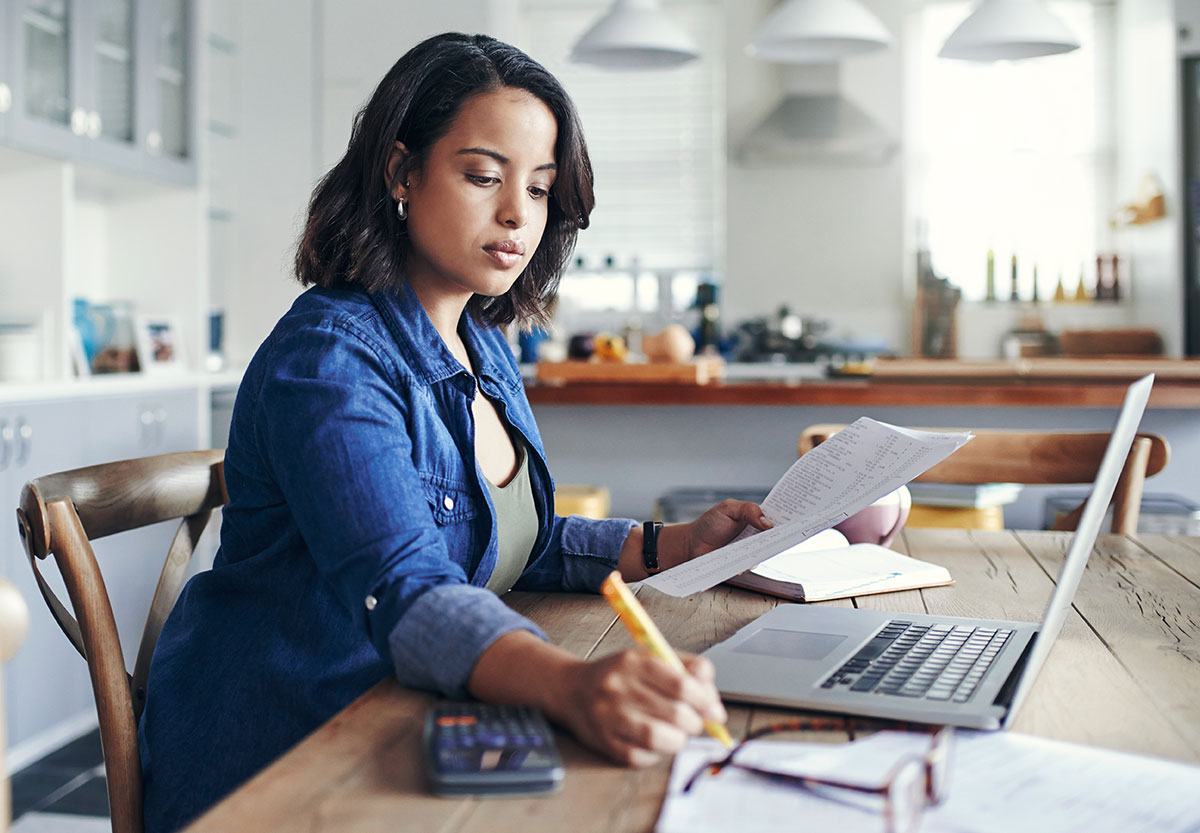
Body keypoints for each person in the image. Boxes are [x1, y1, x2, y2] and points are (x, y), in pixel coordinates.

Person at [138, 32, 769, 832]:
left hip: (401, 719)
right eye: (483, 176)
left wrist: (674, 544)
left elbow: (512, 540)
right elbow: (410, 584)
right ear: (401, 172)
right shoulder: (329, 359)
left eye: (539, 190)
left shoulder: (484, 344)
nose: (517, 214)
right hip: (286, 758)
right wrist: (573, 683)